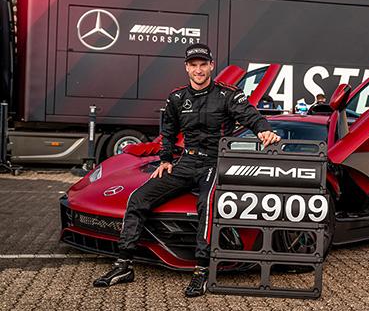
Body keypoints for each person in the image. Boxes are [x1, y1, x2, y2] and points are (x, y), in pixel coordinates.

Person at [92, 43, 280, 297]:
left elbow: (250, 115)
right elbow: (167, 131)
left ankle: (201, 271)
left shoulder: (228, 94)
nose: (199, 70)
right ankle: (124, 265)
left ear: (212, 66)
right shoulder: (177, 97)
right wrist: (166, 159)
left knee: (206, 204)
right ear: (187, 68)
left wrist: (263, 129)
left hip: (216, 162)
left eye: (203, 64)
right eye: (194, 65)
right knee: (138, 198)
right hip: (186, 163)